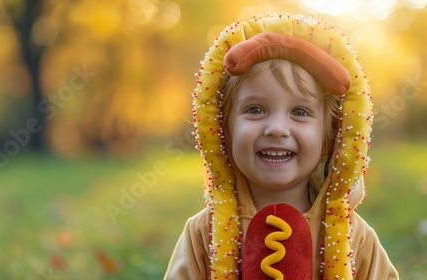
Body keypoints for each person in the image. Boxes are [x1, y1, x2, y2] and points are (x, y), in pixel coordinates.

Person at [165, 13, 399, 279]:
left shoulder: (355, 240)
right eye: (255, 109)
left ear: (329, 137)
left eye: (299, 112)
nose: (276, 128)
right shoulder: (203, 235)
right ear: (223, 132)